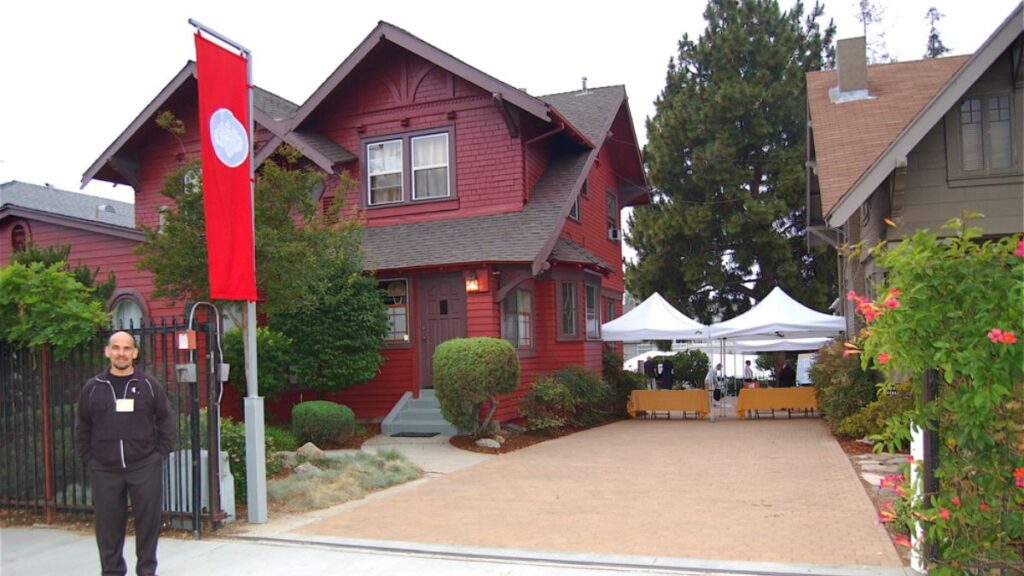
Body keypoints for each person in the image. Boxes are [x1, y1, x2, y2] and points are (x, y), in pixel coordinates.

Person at [76, 331, 177, 576]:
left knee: (148, 524)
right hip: (104, 469)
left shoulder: (149, 386)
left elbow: (166, 422)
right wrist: (90, 459)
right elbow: (82, 426)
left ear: (135, 353)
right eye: (116, 348)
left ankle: (146, 571)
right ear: (107, 351)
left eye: (127, 348)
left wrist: (158, 454)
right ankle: (112, 572)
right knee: (108, 527)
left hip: (144, 466)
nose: (121, 353)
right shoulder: (92, 388)